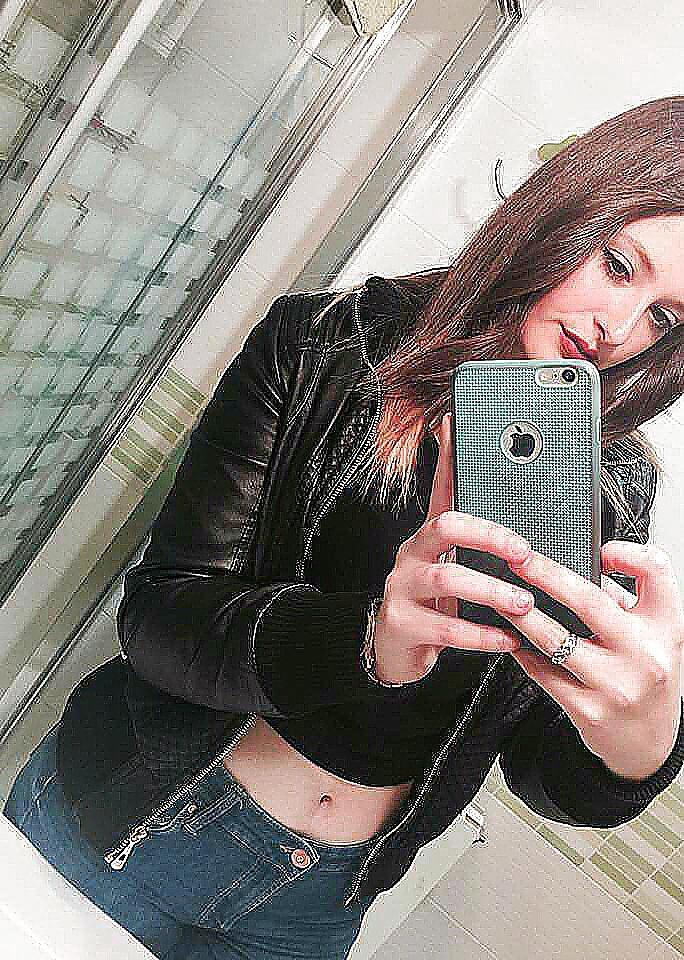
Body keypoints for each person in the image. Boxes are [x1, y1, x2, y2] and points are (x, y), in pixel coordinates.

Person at [4, 96, 684, 960]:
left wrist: (641, 740)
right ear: (562, 211)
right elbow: (161, 616)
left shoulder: (612, 485)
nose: (619, 331)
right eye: (618, 265)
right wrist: (367, 639)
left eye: (664, 317)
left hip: (317, 905)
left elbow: (539, 767)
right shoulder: (320, 346)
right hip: (134, 820)